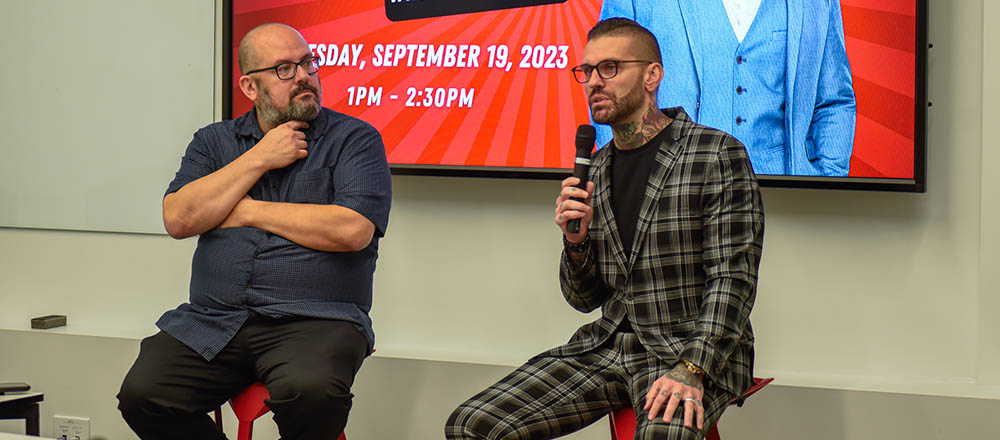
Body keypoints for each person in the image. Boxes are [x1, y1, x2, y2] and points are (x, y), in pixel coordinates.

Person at [446, 18, 764, 440]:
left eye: (610, 68)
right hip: (609, 346)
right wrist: (575, 243)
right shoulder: (594, 167)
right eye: (588, 71)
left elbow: (733, 280)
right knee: (471, 426)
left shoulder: (715, 153)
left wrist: (693, 368)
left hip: (690, 349)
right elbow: (583, 298)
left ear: (652, 75)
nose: (595, 82)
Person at [117, 23, 391, 440]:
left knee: (312, 392)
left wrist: (244, 211)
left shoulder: (354, 140)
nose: (303, 76)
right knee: (143, 395)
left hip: (315, 320)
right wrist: (260, 157)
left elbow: (351, 230)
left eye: (307, 63)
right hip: (214, 320)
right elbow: (178, 219)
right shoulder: (213, 143)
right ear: (249, 86)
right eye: (284, 68)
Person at [596, 0, 856, 176]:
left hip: (788, 203)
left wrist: (827, 179)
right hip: (673, 202)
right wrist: (621, 184)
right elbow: (611, 91)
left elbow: (833, 100)